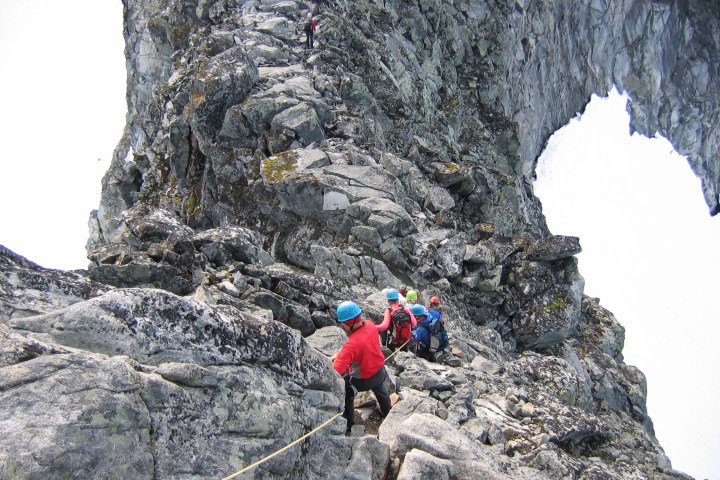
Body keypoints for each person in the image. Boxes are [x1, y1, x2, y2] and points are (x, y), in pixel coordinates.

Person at [331, 301, 392, 435]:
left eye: (343, 323)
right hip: (379, 371)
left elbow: (336, 371)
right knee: (380, 391)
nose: (342, 325)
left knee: (347, 393)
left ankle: (348, 424)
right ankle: (388, 413)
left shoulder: (352, 345)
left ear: (349, 322)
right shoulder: (369, 325)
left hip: (363, 380)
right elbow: (381, 327)